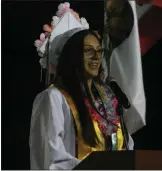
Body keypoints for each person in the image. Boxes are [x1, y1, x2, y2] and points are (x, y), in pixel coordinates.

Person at [30, 1, 143, 170]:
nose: (96, 57)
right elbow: (51, 159)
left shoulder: (107, 100)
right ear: (73, 55)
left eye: (99, 51)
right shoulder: (54, 98)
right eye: (89, 51)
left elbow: (126, 147)